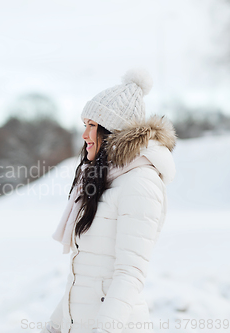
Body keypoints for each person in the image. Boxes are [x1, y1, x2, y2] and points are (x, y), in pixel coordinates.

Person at [42, 69, 176, 333]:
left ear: (112, 130)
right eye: (85, 125)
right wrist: (54, 327)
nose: (84, 135)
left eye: (92, 126)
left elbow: (129, 275)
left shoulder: (140, 183)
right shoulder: (104, 181)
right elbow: (87, 276)